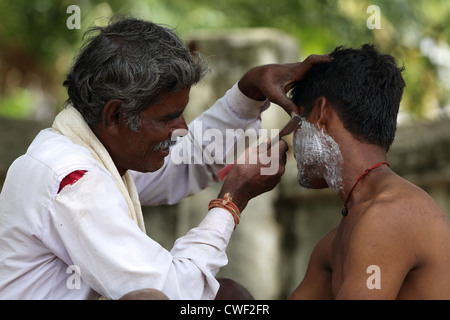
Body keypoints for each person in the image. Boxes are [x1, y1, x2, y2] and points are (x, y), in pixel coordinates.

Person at [0, 16, 328, 300]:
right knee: (227, 296)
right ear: (115, 115)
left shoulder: (95, 147)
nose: (180, 130)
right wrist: (232, 199)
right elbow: (172, 293)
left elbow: (184, 161)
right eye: (168, 118)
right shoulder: (73, 180)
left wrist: (249, 92)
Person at [288, 44, 450, 300]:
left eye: (297, 121)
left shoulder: (389, 215)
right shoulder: (334, 242)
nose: (291, 140)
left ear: (320, 112)